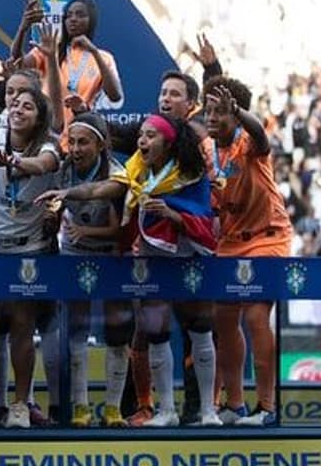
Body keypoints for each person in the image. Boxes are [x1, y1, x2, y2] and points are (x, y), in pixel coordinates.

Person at [39, 114, 220, 428]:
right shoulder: (135, 173)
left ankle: (208, 411)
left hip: (189, 260)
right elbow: (103, 193)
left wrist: (174, 217)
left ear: (169, 142)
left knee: (200, 330)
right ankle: (165, 411)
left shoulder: (191, 175)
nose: (142, 141)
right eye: (141, 136)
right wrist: (67, 197)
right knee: (157, 334)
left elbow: (205, 222)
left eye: (150, 136)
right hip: (151, 260)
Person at [0, 87, 61, 429]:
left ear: (39, 117)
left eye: (28, 106)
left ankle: (20, 405)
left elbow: (42, 164)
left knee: (22, 326)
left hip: (26, 250)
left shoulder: (48, 144)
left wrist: (15, 161)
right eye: (15, 104)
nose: (19, 110)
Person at [204, 76, 292, 426]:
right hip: (230, 240)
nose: (210, 117)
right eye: (208, 110)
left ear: (235, 116)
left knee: (256, 317)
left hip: (268, 237)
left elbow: (261, 133)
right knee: (224, 319)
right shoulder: (205, 150)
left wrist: (239, 112)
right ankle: (235, 404)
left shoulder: (250, 143)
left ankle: (267, 408)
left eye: (219, 112)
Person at [48, 113, 131, 428]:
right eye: (73, 141)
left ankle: (112, 409)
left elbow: (104, 204)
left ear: (102, 144)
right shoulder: (63, 169)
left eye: (84, 142)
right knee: (77, 330)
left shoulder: (117, 174)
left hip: (111, 256)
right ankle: (80, 407)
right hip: (74, 254)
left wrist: (84, 228)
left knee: (116, 332)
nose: (77, 148)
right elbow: (54, 214)